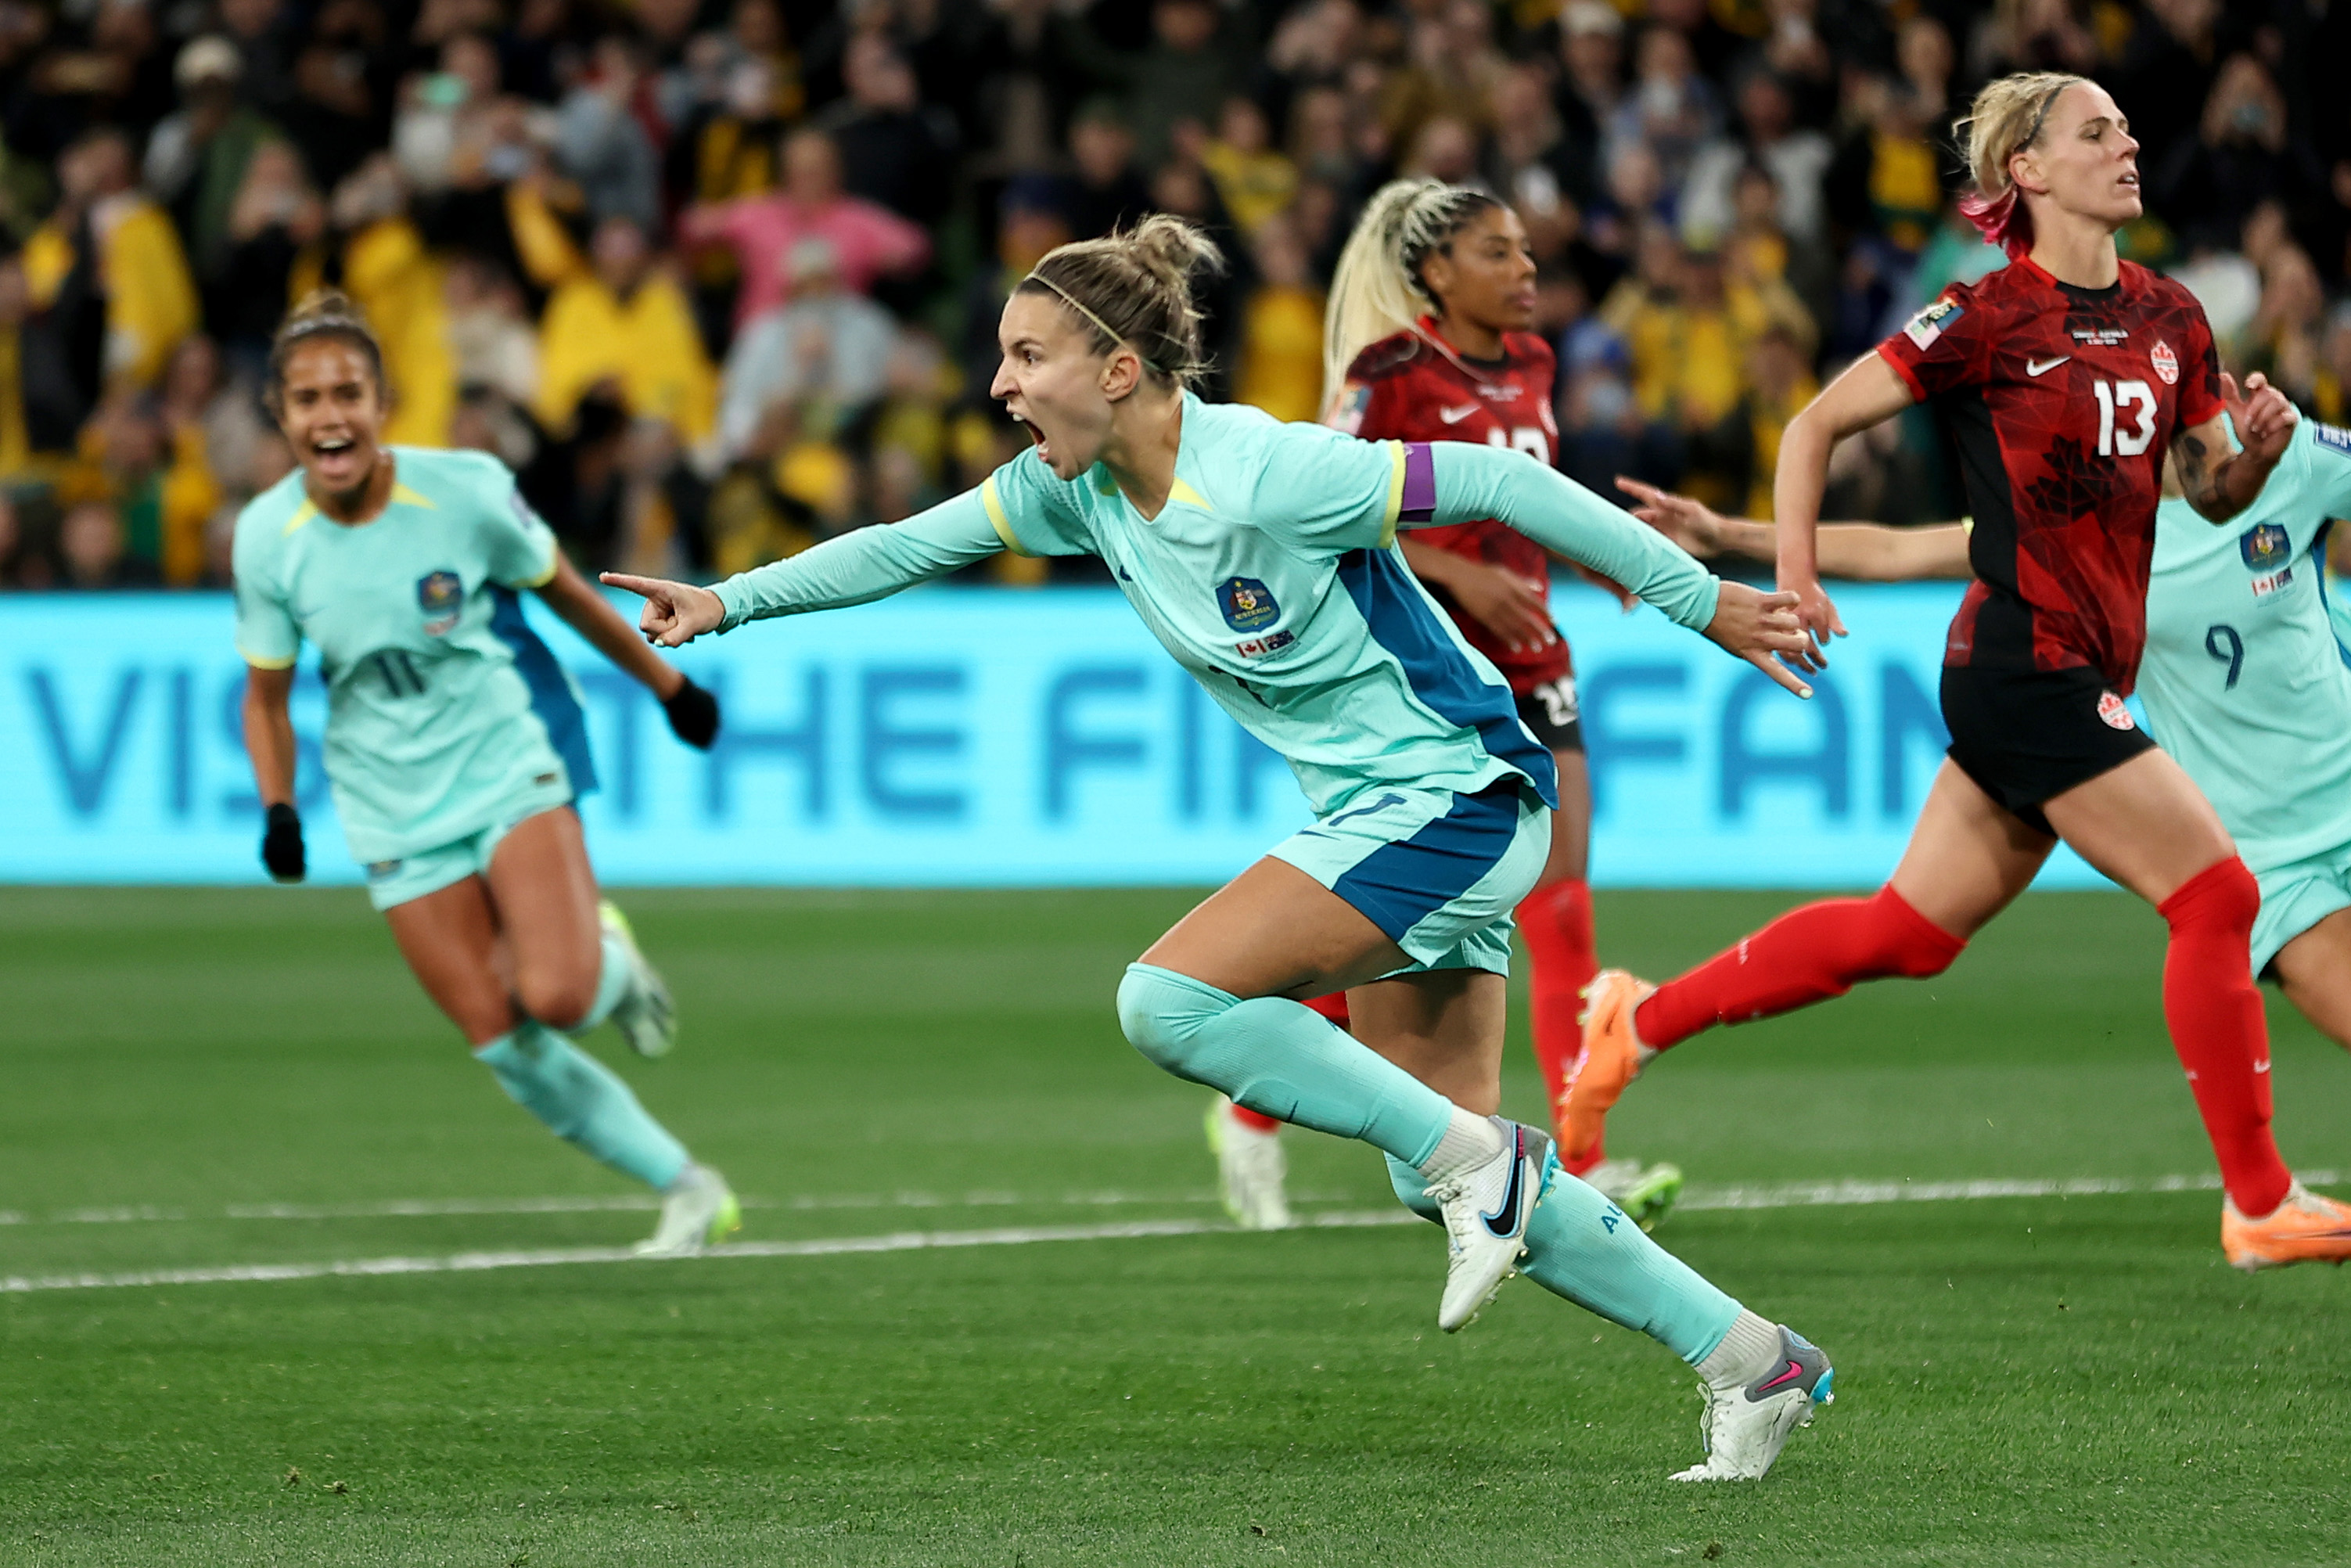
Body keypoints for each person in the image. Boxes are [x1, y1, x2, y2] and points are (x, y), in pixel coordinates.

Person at [606, 216, 1835, 1481]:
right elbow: (911, 544)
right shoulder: (1070, 490)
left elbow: (1507, 486)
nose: (1000, 384)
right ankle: (1751, 1357)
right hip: (1387, 812)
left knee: (1169, 997)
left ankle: (1492, 1164)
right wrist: (728, 598)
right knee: (1435, 1162)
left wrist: (1704, 597)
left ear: (1119, 369)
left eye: (1027, 355)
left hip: (1461, 792)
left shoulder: (1268, 469)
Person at [1562, 73, 2351, 1271]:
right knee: (2216, 895)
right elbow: (1810, 427)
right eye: (2098, 132)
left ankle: (1635, 1018)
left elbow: (2207, 487)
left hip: (2072, 669)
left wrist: (2260, 450)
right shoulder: (1986, 317)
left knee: (1906, 933)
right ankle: (2257, 1200)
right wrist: (1789, 572)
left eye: (2128, 129)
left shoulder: (2172, 317)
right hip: (2018, 663)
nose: (2128, 143)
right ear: (2027, 171)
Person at [1621, 405, 2351, 1271]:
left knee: (1905, 931)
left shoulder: (2294, 458)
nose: (2209, 403)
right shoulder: (2088, 522)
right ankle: (1635, 1018)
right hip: (2278, 866)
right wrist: (1722, 532)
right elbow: (1899, 550)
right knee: (1905, 930)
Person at [1199, 178, 1684, 1239]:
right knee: (1406, 929)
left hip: (1534, 652)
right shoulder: (1387, 374)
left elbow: (1524, 493)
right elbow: (1319, 513)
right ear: (1435, 271)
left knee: (1560, 899)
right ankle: (1247, 1105)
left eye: (1526, 252)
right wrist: (1457, 577)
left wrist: (1585, 555)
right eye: (1497, 254)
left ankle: (1581, 1153)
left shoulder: (1537, 363)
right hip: (1433, 668)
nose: (1526, 272)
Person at [232, 292, 739, 1259]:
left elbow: (569, 598)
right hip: (387, 805)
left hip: (502, 764)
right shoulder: (265, 537)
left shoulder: (463, 490)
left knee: (552, 993)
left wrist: (668, 688)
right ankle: (687, 1186)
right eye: (306, 399)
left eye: (348, 392)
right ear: (280, 413)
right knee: (500, 1036)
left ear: (382, 402)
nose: (329, 415)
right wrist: (280, 810)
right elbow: (264, 697)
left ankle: (616, 968)